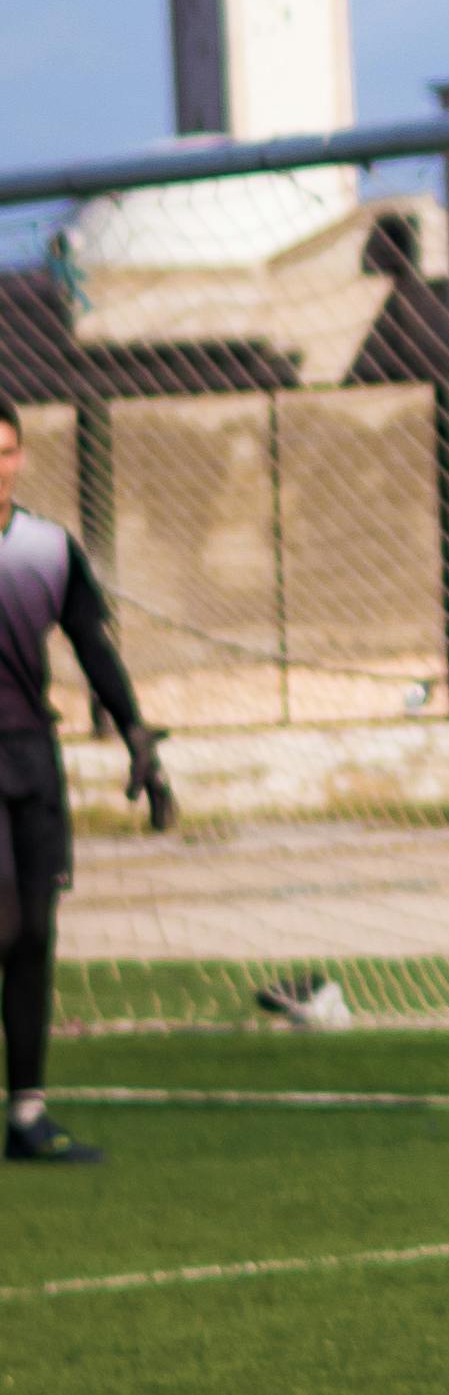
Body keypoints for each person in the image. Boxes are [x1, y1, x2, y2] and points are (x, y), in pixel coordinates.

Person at [0, 404, 173, 1172]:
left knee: (35, 934)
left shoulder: (48, 547)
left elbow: (92, 648)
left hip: (32, 759)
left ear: (21, 457)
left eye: (4, 451)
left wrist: (137, 737)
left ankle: (28, 1116)